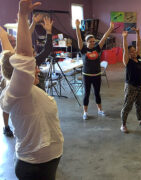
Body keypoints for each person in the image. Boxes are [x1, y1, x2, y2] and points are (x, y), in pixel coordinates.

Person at [0, 0, 64, 179]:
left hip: (46, 162)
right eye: (31, 67)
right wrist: (22, 16)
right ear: (19, 75)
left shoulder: (17, 86)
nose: (37, 68)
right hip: (34, 166)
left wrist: (5, 36)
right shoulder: (19, 90)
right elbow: (22, 57)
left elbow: (11, 56)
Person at [0, 15, 53, 137]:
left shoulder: (31, 60)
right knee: (7, 107)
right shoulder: (15, 58)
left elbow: (29, 39)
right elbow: (24, 38)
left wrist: (35, 24)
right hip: (8, 81)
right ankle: (6, 126)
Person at [75, 19, 114, 120]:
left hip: (97, 75)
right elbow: (79, 38)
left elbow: (104, 37)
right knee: (86, 94)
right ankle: (85, 112)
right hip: (86, 75)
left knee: (97, 93)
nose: (93, 43)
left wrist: (110, 28)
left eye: (93, 41)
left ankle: (100, 110)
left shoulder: (97, 48)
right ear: (86, 42)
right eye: (90, 41)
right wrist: (77, 27)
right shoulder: (83, 49)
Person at [120, 29, 141, 133]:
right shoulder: (127, 61)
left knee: (139, 104)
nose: (134, 52)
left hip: (139, 86)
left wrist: (138, 33)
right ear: (128, 54)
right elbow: (125, 48)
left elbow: (138, 45)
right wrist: (124, 37)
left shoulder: (139, 58)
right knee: (127, 106)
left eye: (134, 51)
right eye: (131, 51)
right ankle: (123, 125)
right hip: (131, 86)